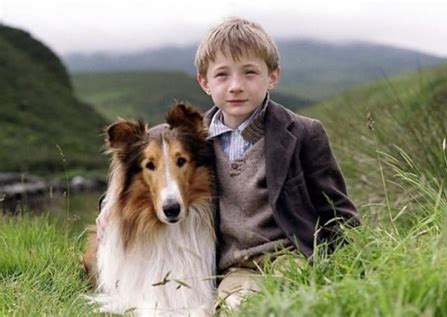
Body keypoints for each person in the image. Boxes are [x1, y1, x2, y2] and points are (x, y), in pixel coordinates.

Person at [97, 17, 359, 313]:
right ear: (204, 82)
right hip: (234, 267)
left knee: (290, 303)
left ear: (272, 76)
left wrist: (353, 264)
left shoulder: (304, 133)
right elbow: (142, 164)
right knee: (235, 307)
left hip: (290, 254)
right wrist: (107, 209)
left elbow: (336, 208)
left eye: (249, 73)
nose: (236, 86)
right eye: (222, 75)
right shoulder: (193, 138)